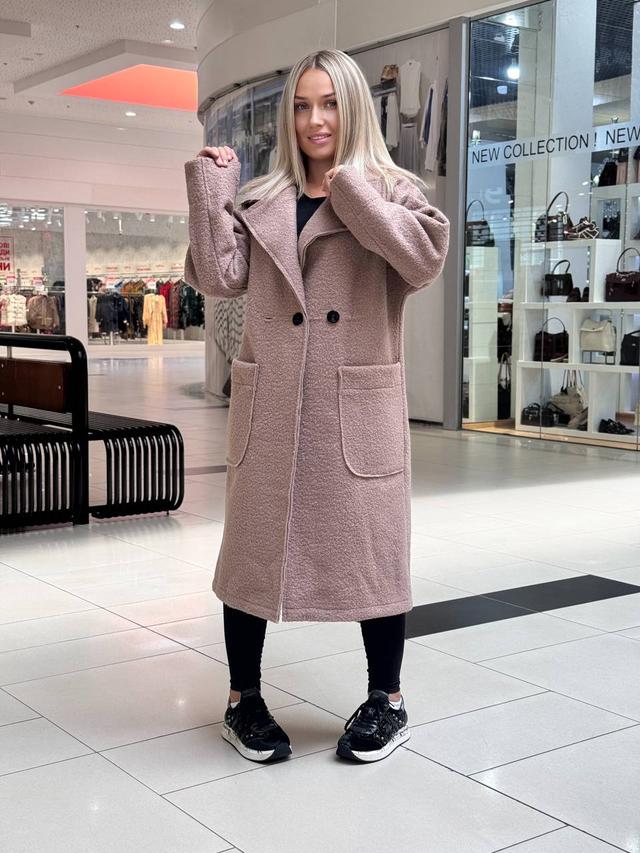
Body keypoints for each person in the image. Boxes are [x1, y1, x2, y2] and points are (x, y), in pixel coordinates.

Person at [183, 48, 449, 765]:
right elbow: (219, 275)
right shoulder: (264, 198)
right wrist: (212, 190)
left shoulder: (393, 191)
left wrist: (352, 192)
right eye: (301, 105)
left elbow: (424, 260)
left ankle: (387, 700)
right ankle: (242, 699)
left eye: (329, 103)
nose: (314, 119)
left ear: (353, 107)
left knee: (373, 550)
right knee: (252, 548)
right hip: (273, 403)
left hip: (351, 404)